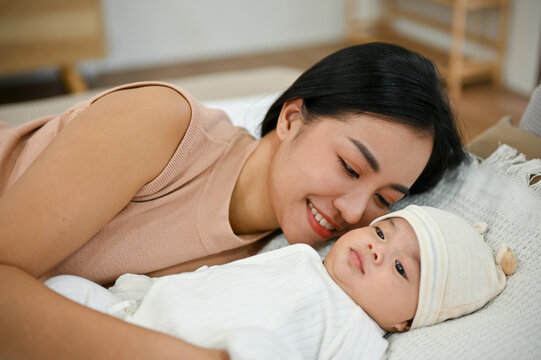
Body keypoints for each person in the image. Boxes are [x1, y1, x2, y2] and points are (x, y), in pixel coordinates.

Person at [0, 42, 467, 358]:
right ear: (289, 119)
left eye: (384, 200)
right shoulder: (163, 123)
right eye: (349, 167)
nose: (351, 213)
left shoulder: (284, 263)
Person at [44, 205, 516, 360]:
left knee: (256, 345)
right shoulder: (299, 256)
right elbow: (216, 279)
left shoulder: (360, 334)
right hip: (137, 319)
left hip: (208, 350)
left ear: (407, 320)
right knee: (63, 288)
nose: (377, 248)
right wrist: (136, 292)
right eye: (380, 231)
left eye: (400, 268)